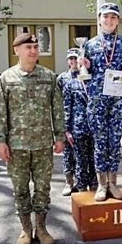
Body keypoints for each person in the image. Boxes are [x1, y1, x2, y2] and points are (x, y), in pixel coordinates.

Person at [0, 32, 64, 244]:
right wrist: (1, 141)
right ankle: (26, 229)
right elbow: (0, 112)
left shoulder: (48, 76)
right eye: (28, 47)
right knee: (20, 189)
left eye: (35, 46)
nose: (33, 51)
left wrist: (59, 136)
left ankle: (41, 228)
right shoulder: (6, 79)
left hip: (43, 144)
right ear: (17, 50)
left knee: (42, 188)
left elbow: (57, 109)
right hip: (17, 146)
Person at [82, 3, 122, 202]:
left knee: (114, 143)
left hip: (118, 101)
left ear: (117, 21)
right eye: (106, 17)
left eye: (113, 17)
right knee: (100, 142)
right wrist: (85, 66)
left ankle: (113, 182)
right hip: (97, 101)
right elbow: (85, 74)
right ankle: (101, 184)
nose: (109, 20)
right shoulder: (90, 45)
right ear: (99, 18)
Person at [63, 70, 96, 192]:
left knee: (94, 159)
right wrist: (67, 129)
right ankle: (81, 186)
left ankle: (94, 184)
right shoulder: (71, 84)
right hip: (78, 127)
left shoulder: (96, 82)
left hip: (94, 127)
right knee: (80, 160)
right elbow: (66, 107)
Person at [56, 48, 80, 196]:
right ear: (67, 61)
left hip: (80, 120)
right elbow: (57, 100)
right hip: (66, 119)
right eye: (70, 59)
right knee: (67, 153)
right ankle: (68, 182)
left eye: (75, 58)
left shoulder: (85, 76)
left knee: (81, 153)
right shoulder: (62, 78)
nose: (73, 61)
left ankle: (80, 181)